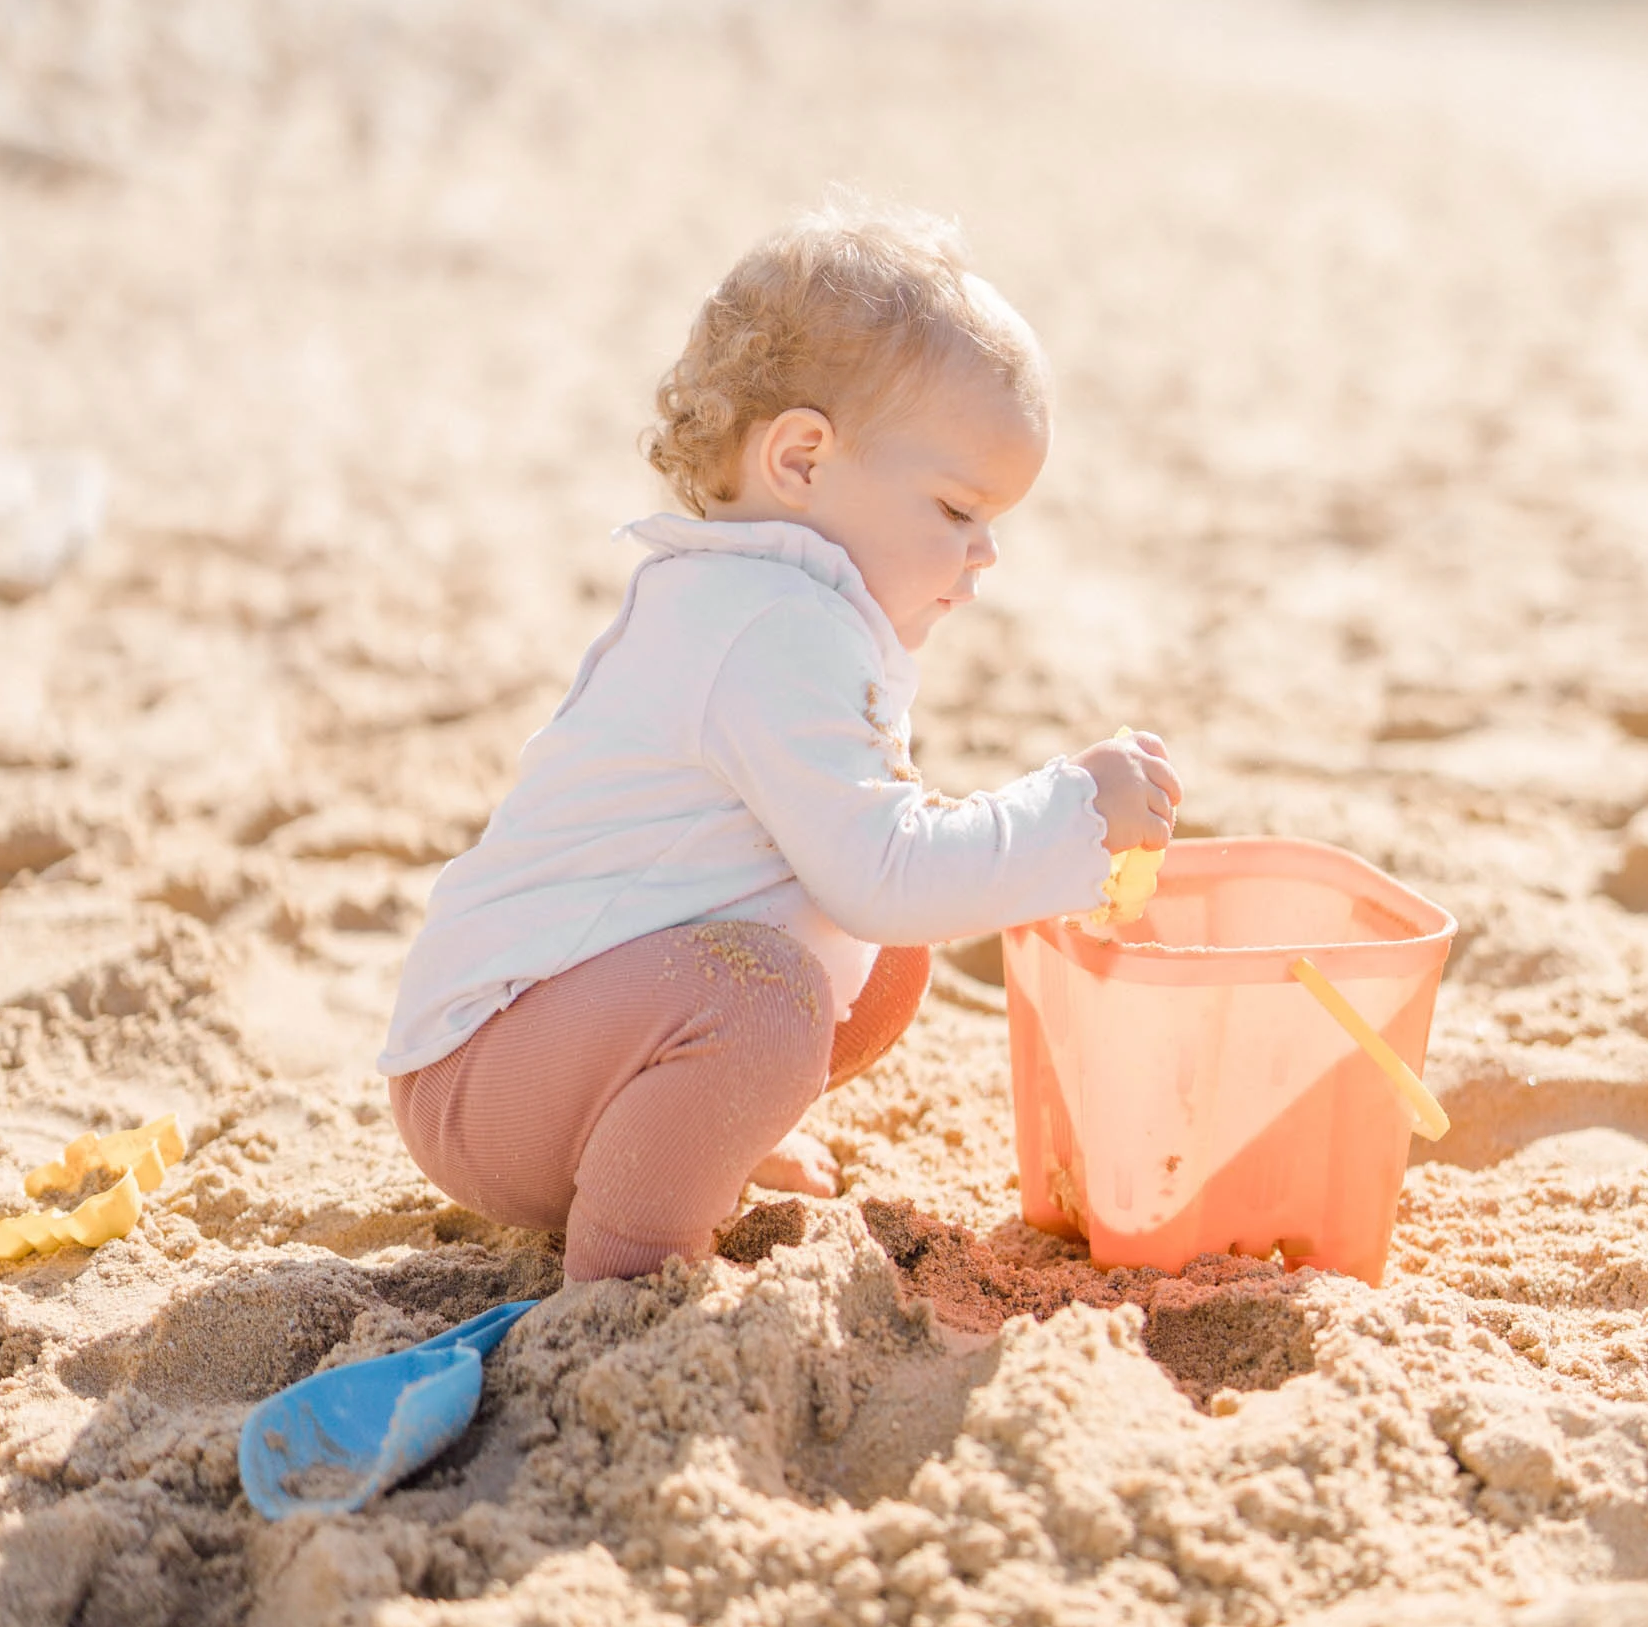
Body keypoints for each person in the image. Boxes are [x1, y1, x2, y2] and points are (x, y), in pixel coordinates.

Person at [380, 199, 1180, 1280]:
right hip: (485, 1077)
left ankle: (684, 1136)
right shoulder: (767, 630)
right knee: (774, 994)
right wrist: (1072, 816)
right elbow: (886, 874)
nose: (985, 552)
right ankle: (628, 1270)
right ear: (801, 460)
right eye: (956, 510)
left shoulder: (781, 604)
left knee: (877, 964)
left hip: (557, 1047)